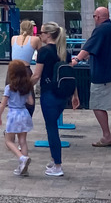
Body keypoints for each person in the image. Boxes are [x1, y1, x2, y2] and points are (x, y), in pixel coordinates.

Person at [70, 7, 111, 148]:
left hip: (105, 74)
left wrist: (76, 60)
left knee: (96, 104)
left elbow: (88, 47)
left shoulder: (101, 29)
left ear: (98, 17)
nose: (94, 19)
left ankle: (107, 136)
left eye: (94, 16)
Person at [31, 22, 79, 177]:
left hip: (49, 94)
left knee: (51, 129)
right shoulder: (64, 52)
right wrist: (75, 95)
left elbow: (37, 75)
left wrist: (22, 86)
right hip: (63, 94)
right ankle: (54, 160)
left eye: (41, 32)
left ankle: (58, 165)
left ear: (48, 35)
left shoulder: (43, 52)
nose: (40, 35)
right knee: (52, 127)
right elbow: (70, 74)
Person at [0, 60, 35, 176]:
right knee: (22, 141)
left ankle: (21, 158)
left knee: (8, 141)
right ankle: (24, 168)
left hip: (13, 115)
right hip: (24, 113)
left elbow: (3, 104)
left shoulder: (9, 87)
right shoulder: (27, 86)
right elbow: (31, 102)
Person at [11, 20, 41, 116]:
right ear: (31, 29)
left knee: (13, 100)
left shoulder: (13, 38)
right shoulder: (35, 39)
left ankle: (13, 125)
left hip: (12, 71)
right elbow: (41, 55)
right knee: (29, 101)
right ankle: (25, 124)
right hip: (25, 70)